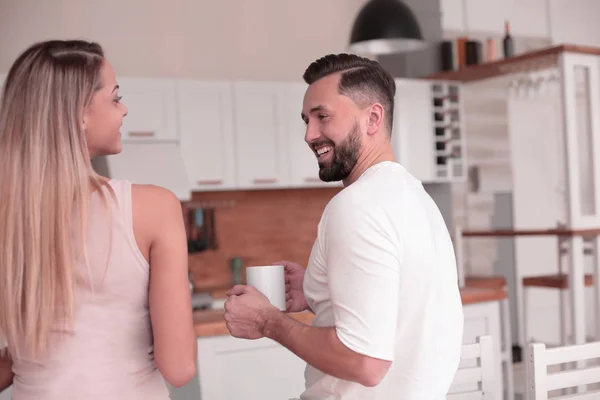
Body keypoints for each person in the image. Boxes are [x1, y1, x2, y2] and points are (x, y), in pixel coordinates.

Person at [223, 53, 464, 399]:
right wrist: (321, 293)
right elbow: (399, 307)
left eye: (323, 117)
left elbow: (365, 363)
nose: (309, 134)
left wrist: (267, 321)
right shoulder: (417, 199)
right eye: (306, 120)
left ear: (373, 118)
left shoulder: (357, 205)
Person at [0, 40, 197, 399]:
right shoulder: (153, 206)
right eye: (115, 97)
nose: (124, 110)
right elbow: (179, 367)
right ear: (79, 112)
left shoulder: (9, 216)